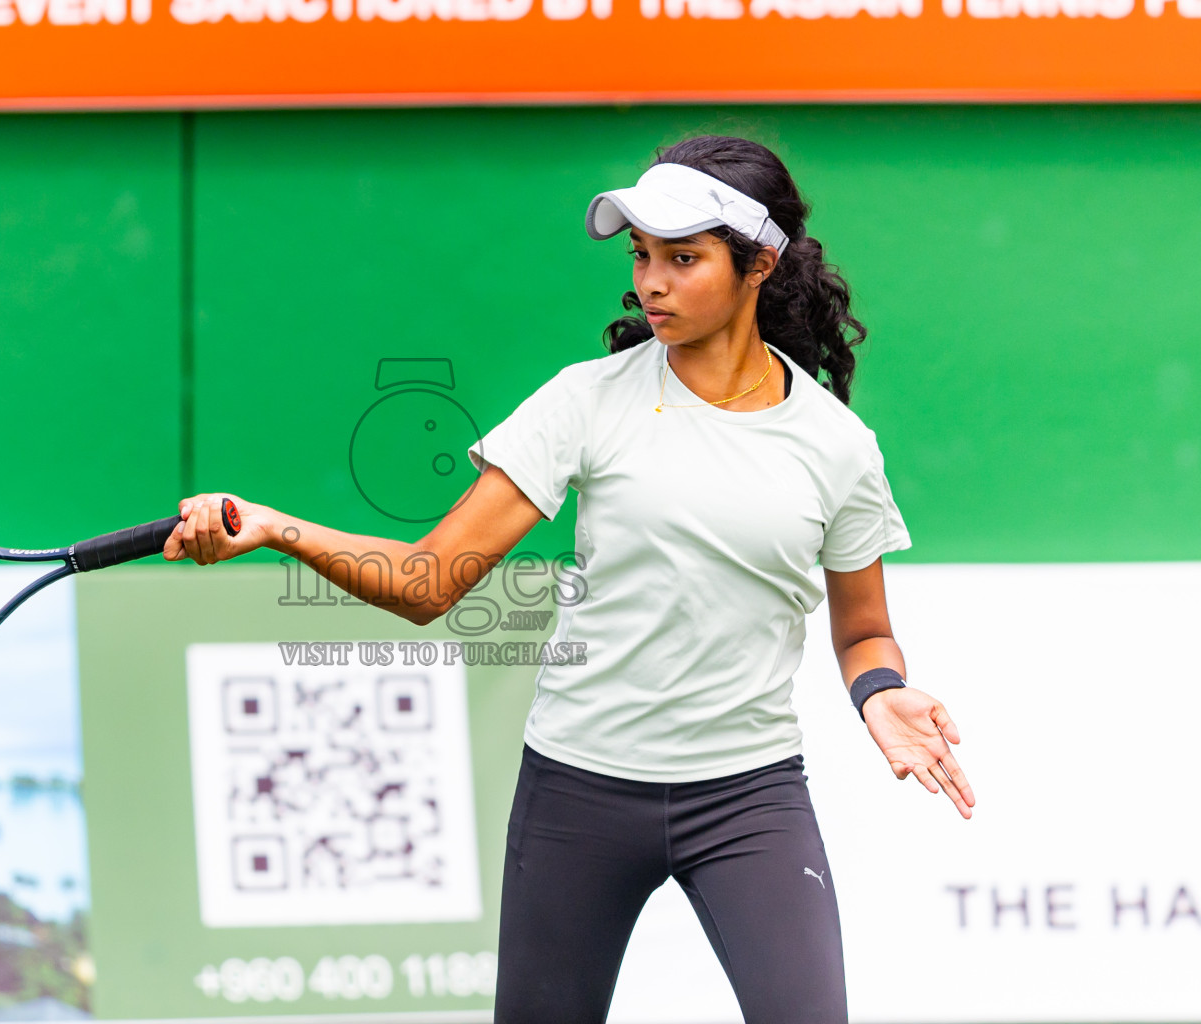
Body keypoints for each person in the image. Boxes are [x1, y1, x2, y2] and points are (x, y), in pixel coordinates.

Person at [161, 134, 974, 1024]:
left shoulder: (837, 447)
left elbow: (861, 631)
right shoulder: (586, 401)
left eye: (684, 258)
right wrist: (280, 528)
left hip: (750, 797)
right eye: (641, 256)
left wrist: (881, 689)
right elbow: (428, 583)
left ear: (760, 263)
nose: (652, 281)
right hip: (579, 793)